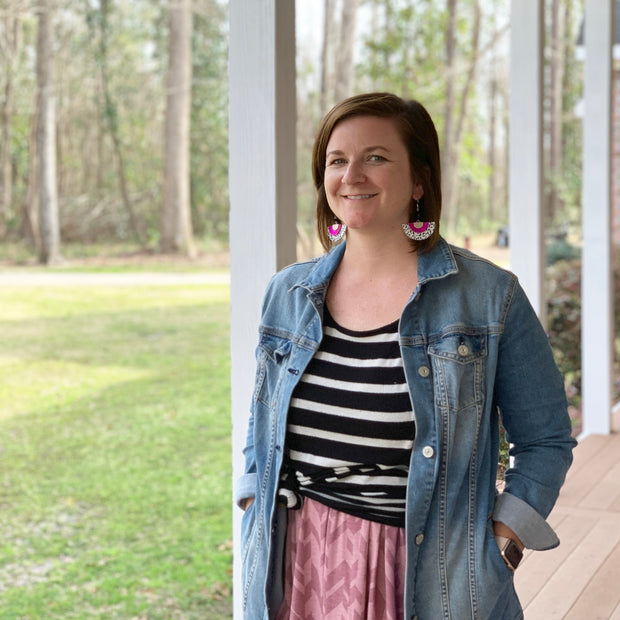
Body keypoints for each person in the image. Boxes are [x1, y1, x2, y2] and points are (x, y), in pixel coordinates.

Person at [235, 92, 576, 620]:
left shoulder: (487, 296)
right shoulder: (288, 293)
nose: (352, 175)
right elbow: (262, 433)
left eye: (375, 157)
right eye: (337, 160)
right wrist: (253, 504)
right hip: (299, 569)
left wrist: (503, 546)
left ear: (419, 180)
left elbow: (546, 437)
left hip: (429, 579)